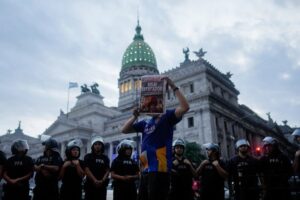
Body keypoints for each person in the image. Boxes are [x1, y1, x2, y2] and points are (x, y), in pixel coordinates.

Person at [122, 76, 189, 200]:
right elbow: (124, 130)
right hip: (145, 169)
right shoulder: (145, 123)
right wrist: (134, 117)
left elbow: (185, 107)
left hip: (160, 169)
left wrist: (172, 85)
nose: (147, 107)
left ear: (159, 104)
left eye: (150, 103)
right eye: (145, 104)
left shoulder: (167, 116)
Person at [84, 136, 110, 200]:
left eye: (99, 144)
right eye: (95, 144)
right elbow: (87, 169)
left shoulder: (105, 158)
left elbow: (107, 170)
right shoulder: (88, 156)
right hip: (90, 185)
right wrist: (95, 180)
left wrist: (102, 181)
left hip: (102, 186)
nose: (97, 146)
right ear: (93, 146)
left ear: (102, 146)